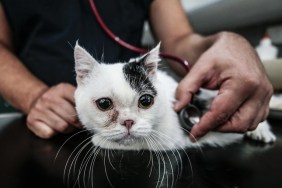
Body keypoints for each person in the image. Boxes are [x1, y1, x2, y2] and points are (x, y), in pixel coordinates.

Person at [0, 0, 272, 140]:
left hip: (138, 130)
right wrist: (34, 96)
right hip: (43, 126)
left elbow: (179, 41)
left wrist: (226, 43)